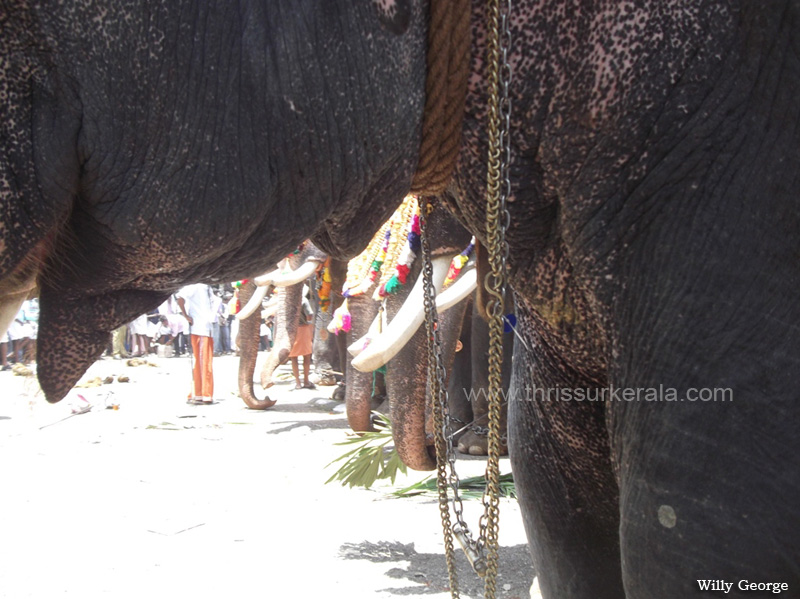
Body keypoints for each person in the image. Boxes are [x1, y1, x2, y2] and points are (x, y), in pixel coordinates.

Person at [176, 283, 216, 404]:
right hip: (199, 329)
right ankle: (202, 394)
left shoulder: (208, 287)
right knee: (203, 362)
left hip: (207, 328)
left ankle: (201, 393)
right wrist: (186, 316)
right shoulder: (195, 285)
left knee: (205, 362)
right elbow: (180, 298)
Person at [289, 288, 315, 390]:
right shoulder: (303, 300)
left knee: (294, 357)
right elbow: (310, 315)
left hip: (292, 330)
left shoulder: (289, 301)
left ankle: (298, 383)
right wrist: (306, 319)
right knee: (307, 357)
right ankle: (306, 380)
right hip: (304, 330)